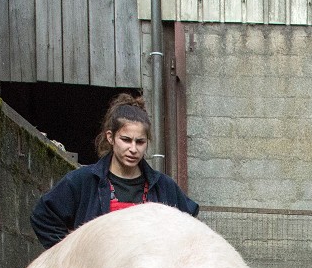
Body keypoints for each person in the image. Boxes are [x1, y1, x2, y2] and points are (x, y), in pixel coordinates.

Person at [31, 93, 199, 249]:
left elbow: (190, 226)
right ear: (110, 137)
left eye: (140, 142)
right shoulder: (82, 181)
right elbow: (43, 218)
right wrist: (71, 257)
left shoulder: (163, 186)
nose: (133, 149)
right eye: (126, 140)